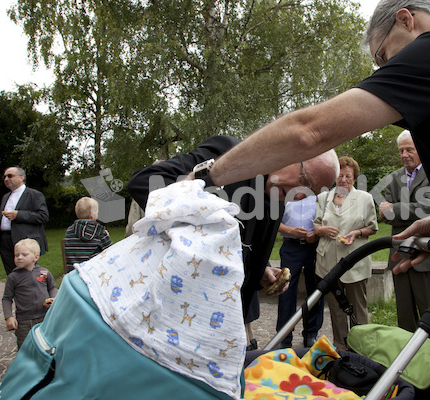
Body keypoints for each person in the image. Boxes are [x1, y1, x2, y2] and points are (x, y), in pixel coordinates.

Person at [186, 1, 430, 397]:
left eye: (383, 57)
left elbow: (310, 131)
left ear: (406, 20)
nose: (385, 72)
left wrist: (209, 174)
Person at [127, 135, 339, 318]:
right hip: (172, 309)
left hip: (222, 326)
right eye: (304, 180)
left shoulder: (279, 200)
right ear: (288, 153)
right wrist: (206, 188)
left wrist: (259, 274)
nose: (300, 195)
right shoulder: (230, 154)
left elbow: (241, 255)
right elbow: (143, 183)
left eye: (311, 192)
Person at [378, 130, 430, 333]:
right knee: (404, 317)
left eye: (409, 149)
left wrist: (394, 208)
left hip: (428, 256)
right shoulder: (393, 179)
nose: (404, 154)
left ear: (420, 149)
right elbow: (386, 216)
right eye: (401, 151)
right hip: (399, 254)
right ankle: (407, 361)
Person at [313, 156, 377, 349]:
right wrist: (322, 230)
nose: (343, 180)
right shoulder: (323, 198)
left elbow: (372, 228)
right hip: (328, 261)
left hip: (355, 260)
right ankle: (340, 346)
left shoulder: (365, 199)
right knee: (336, 307)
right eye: (340, 175)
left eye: (348, 176)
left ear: (354, 178)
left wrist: (357, 232)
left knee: (359, 307)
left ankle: (361, 346)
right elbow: (316, 226)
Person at [275, 196, 324, 348]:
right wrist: (290, 230)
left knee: (316, 290)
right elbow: (274, 223)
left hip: (314, 247)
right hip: (291, 247)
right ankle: (284, 337)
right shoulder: (285, 193)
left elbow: (327, 221)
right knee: (286, 291)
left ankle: (311, 334)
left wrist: (315, 234)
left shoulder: (320, 196)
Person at [2, 238, 58, 349]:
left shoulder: (44, 273)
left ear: (36, 257)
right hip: (24, 320)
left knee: (47, 344)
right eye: (16, 255)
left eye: (24, 254)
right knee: (25, 347)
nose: (19, 257)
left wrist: (53, 299)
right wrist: (8, 317)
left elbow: (52, 287)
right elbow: (6, 298)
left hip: (45, 316)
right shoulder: (13, 277)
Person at [0, 166, 49, 275]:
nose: (6, 179)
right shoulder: (5, 197)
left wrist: (18, 215)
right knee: (12, 274)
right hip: (4, 240)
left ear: (21, 177)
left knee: (27, 274)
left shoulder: (34, 195)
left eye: (10, 176)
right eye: (4, 177)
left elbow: (43, 216)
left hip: (24, 240)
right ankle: (15, 292)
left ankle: (28, 292)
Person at [64, 197, 113, 273]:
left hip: (74, 271)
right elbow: (110, 250)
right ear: (92, 215)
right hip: (94, 272)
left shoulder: (69, 231)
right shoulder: (100, 231)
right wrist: (107, 236)